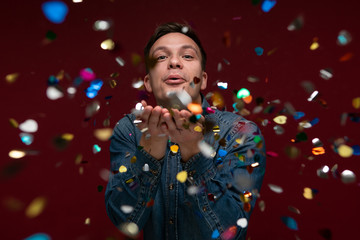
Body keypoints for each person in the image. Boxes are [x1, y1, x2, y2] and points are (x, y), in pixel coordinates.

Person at [105, 22, 266, 240]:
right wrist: (149, 155)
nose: (173, 62)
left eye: (188, 56)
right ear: (148, 82)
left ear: (203, 80)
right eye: (161, 57)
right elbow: (124, 221)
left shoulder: (240, 133)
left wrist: (195, 153)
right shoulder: (130, 129)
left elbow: (231, 234)